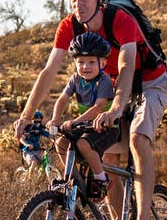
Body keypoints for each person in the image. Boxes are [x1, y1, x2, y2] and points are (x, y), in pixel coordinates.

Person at [14, 0, 167, 220]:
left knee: (139, 139)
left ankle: (142, 219)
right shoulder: (69, 27)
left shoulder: (120, 20)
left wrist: (116, 108)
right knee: (107, 157)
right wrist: (26, 115)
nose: (77, 4)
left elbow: (126, 66)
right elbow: (49, 70)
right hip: (114, 86)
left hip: (150, 82)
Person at [49, 32, 120, 202]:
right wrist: (55, 118)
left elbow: (99, 107)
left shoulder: (103, 81)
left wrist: (74, 122)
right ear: (74, 63)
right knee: (61, 143)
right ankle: (74, 180)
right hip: (86, 126)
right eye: (80, 62)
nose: (85, 66)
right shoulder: (75, 79)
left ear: (102, 63)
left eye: (91, 62)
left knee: (83, 143)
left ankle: (101, 179)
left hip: (107, 127)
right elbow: (62, 99)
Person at [19, 110, 51, 179]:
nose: (37, 123)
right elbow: (21, 139)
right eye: (35, 121)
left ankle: (40, 180)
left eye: (39, 121)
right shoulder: (28, 128)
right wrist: (26, 144)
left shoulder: (41, 129)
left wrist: (54, 139)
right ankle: (29, 179)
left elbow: (48, 135)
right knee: (34, 162)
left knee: (43, 164)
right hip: (28, 151)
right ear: (32, 120)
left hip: (37, 150)